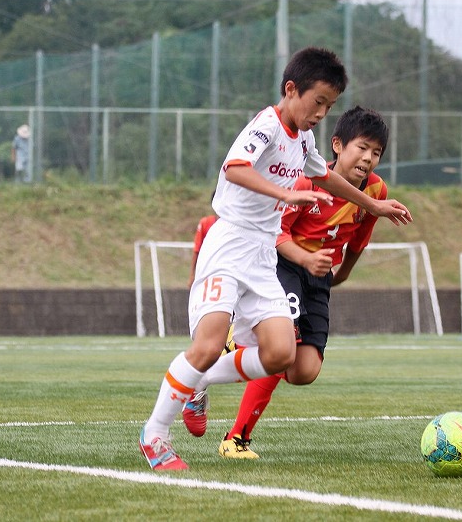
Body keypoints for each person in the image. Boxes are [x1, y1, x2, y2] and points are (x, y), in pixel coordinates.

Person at [138, 47, 412, 471]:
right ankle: (155, 436)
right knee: (208, 345)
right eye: (317, 101)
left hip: (262, 255)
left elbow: (326, 176)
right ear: (291, 89)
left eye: (329, 105)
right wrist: (286, 193)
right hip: (229, 245)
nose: (322, 112)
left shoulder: (304, 139)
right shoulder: (267, 124)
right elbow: (234, 167)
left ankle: (196, 382)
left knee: (282, 354)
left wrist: (372, 207)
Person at [181, 106, 391, 458]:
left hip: (319, 277)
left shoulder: (376, 192)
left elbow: (358, 241)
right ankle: (236, 439)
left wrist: (343, 274)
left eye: (376, 152)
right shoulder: (305, 180)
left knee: (303, 370)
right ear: (337, 146)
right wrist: (306, 258)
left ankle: (230, 352)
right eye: (362, 147)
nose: (368, 158)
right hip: (285, 265)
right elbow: (277, 233)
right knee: (284, 348)